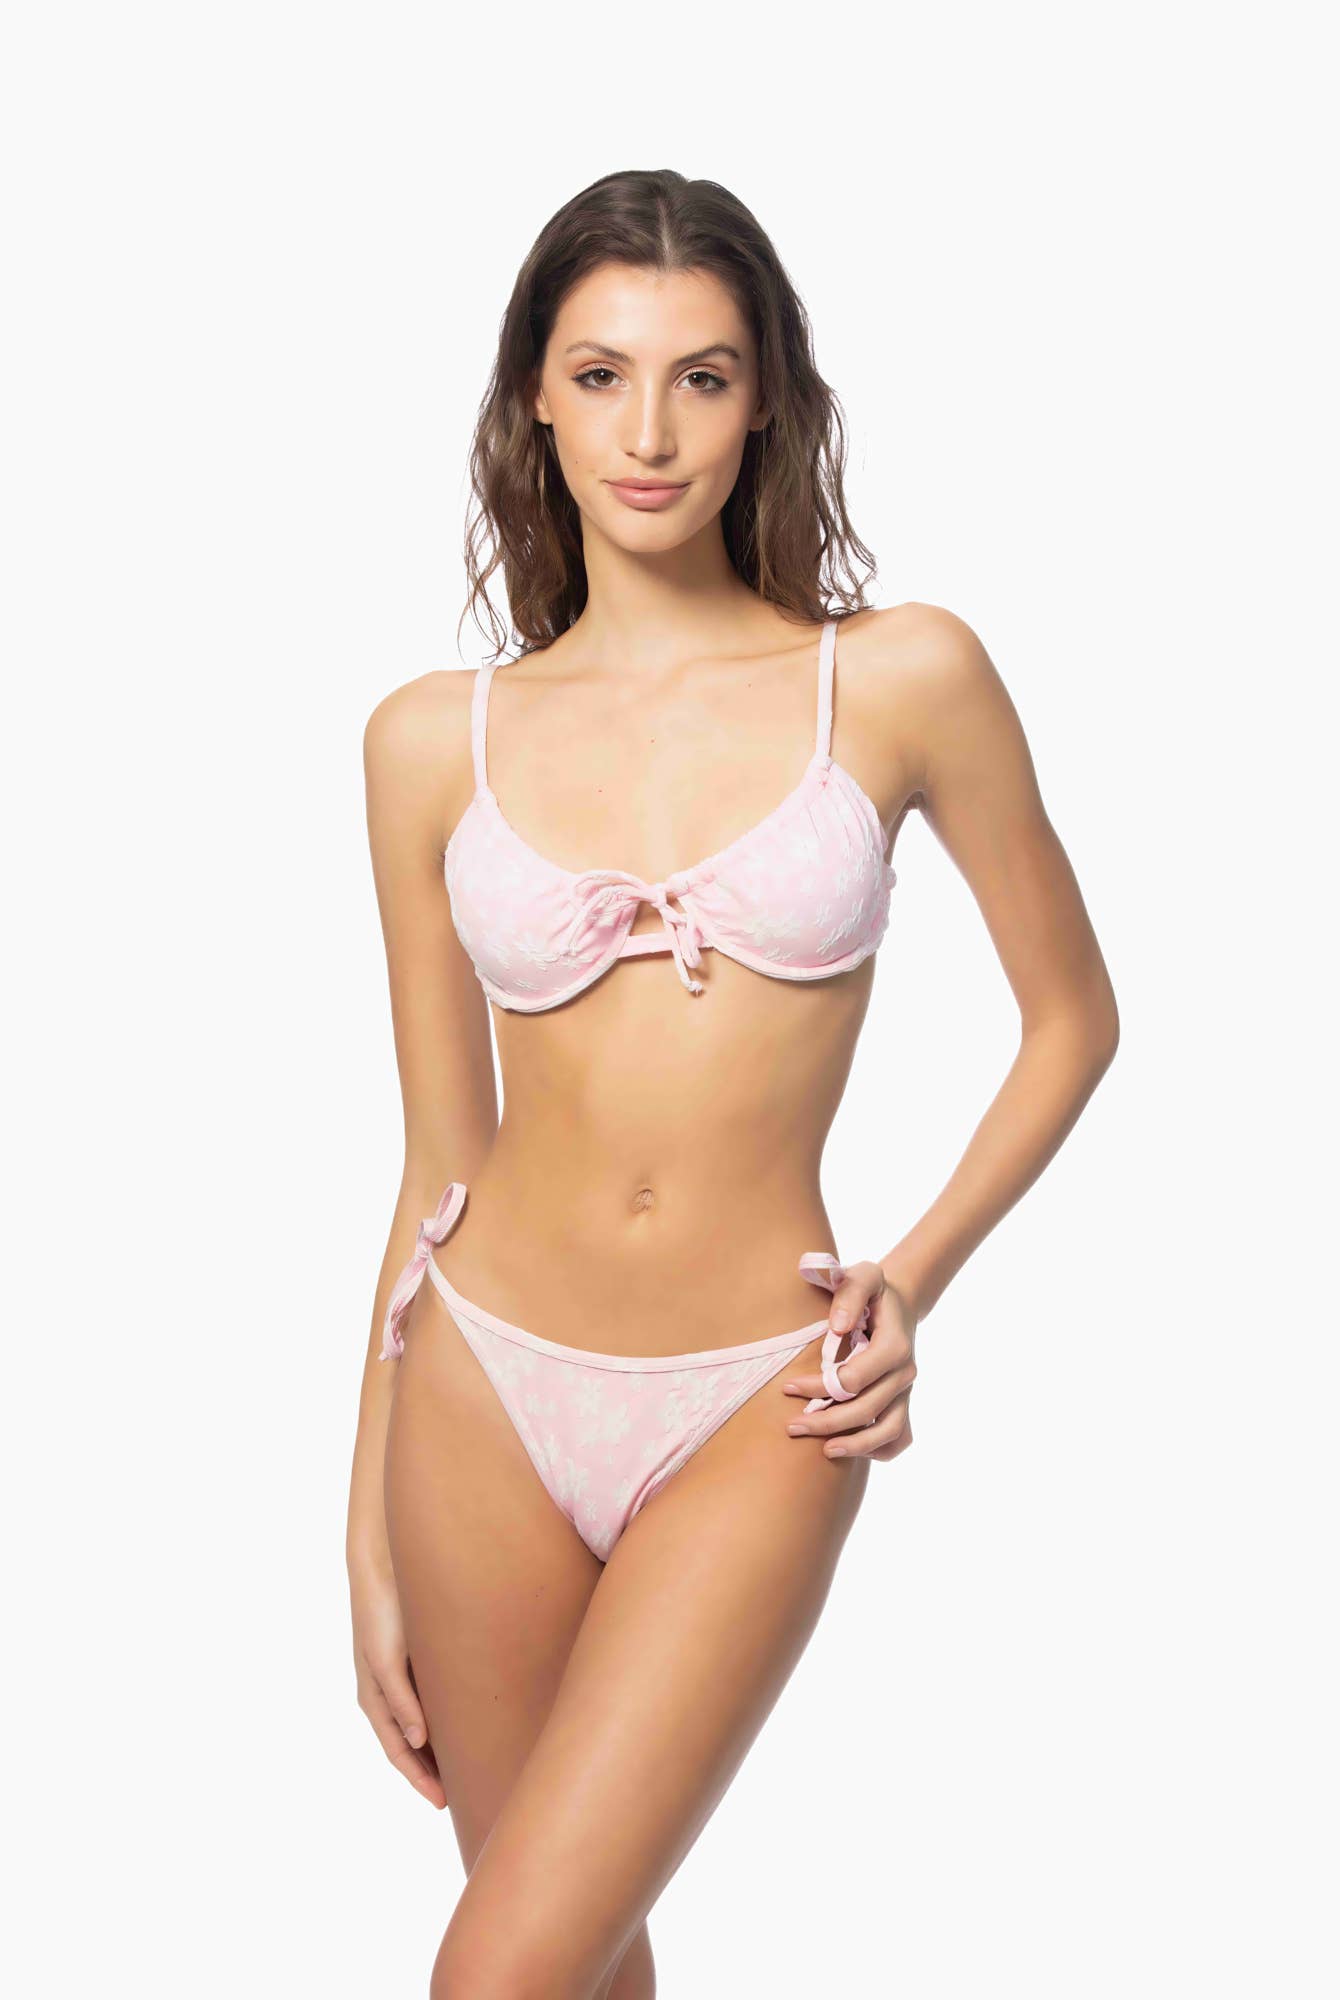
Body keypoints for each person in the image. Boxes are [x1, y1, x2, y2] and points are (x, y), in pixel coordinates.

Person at [345, 167, 1119, 1999]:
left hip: (761, 1401)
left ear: (767, 399)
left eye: (702, 376)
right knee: (581, 1968)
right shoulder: (429, 742)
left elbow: (1073, 1017)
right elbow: (436, 1156)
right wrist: (361, 1522)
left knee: (495, 1977)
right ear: (534, 400)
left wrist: (908, 1279)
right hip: (478, 1393)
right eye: (600, 375)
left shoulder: (902, 678)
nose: (650, 432)